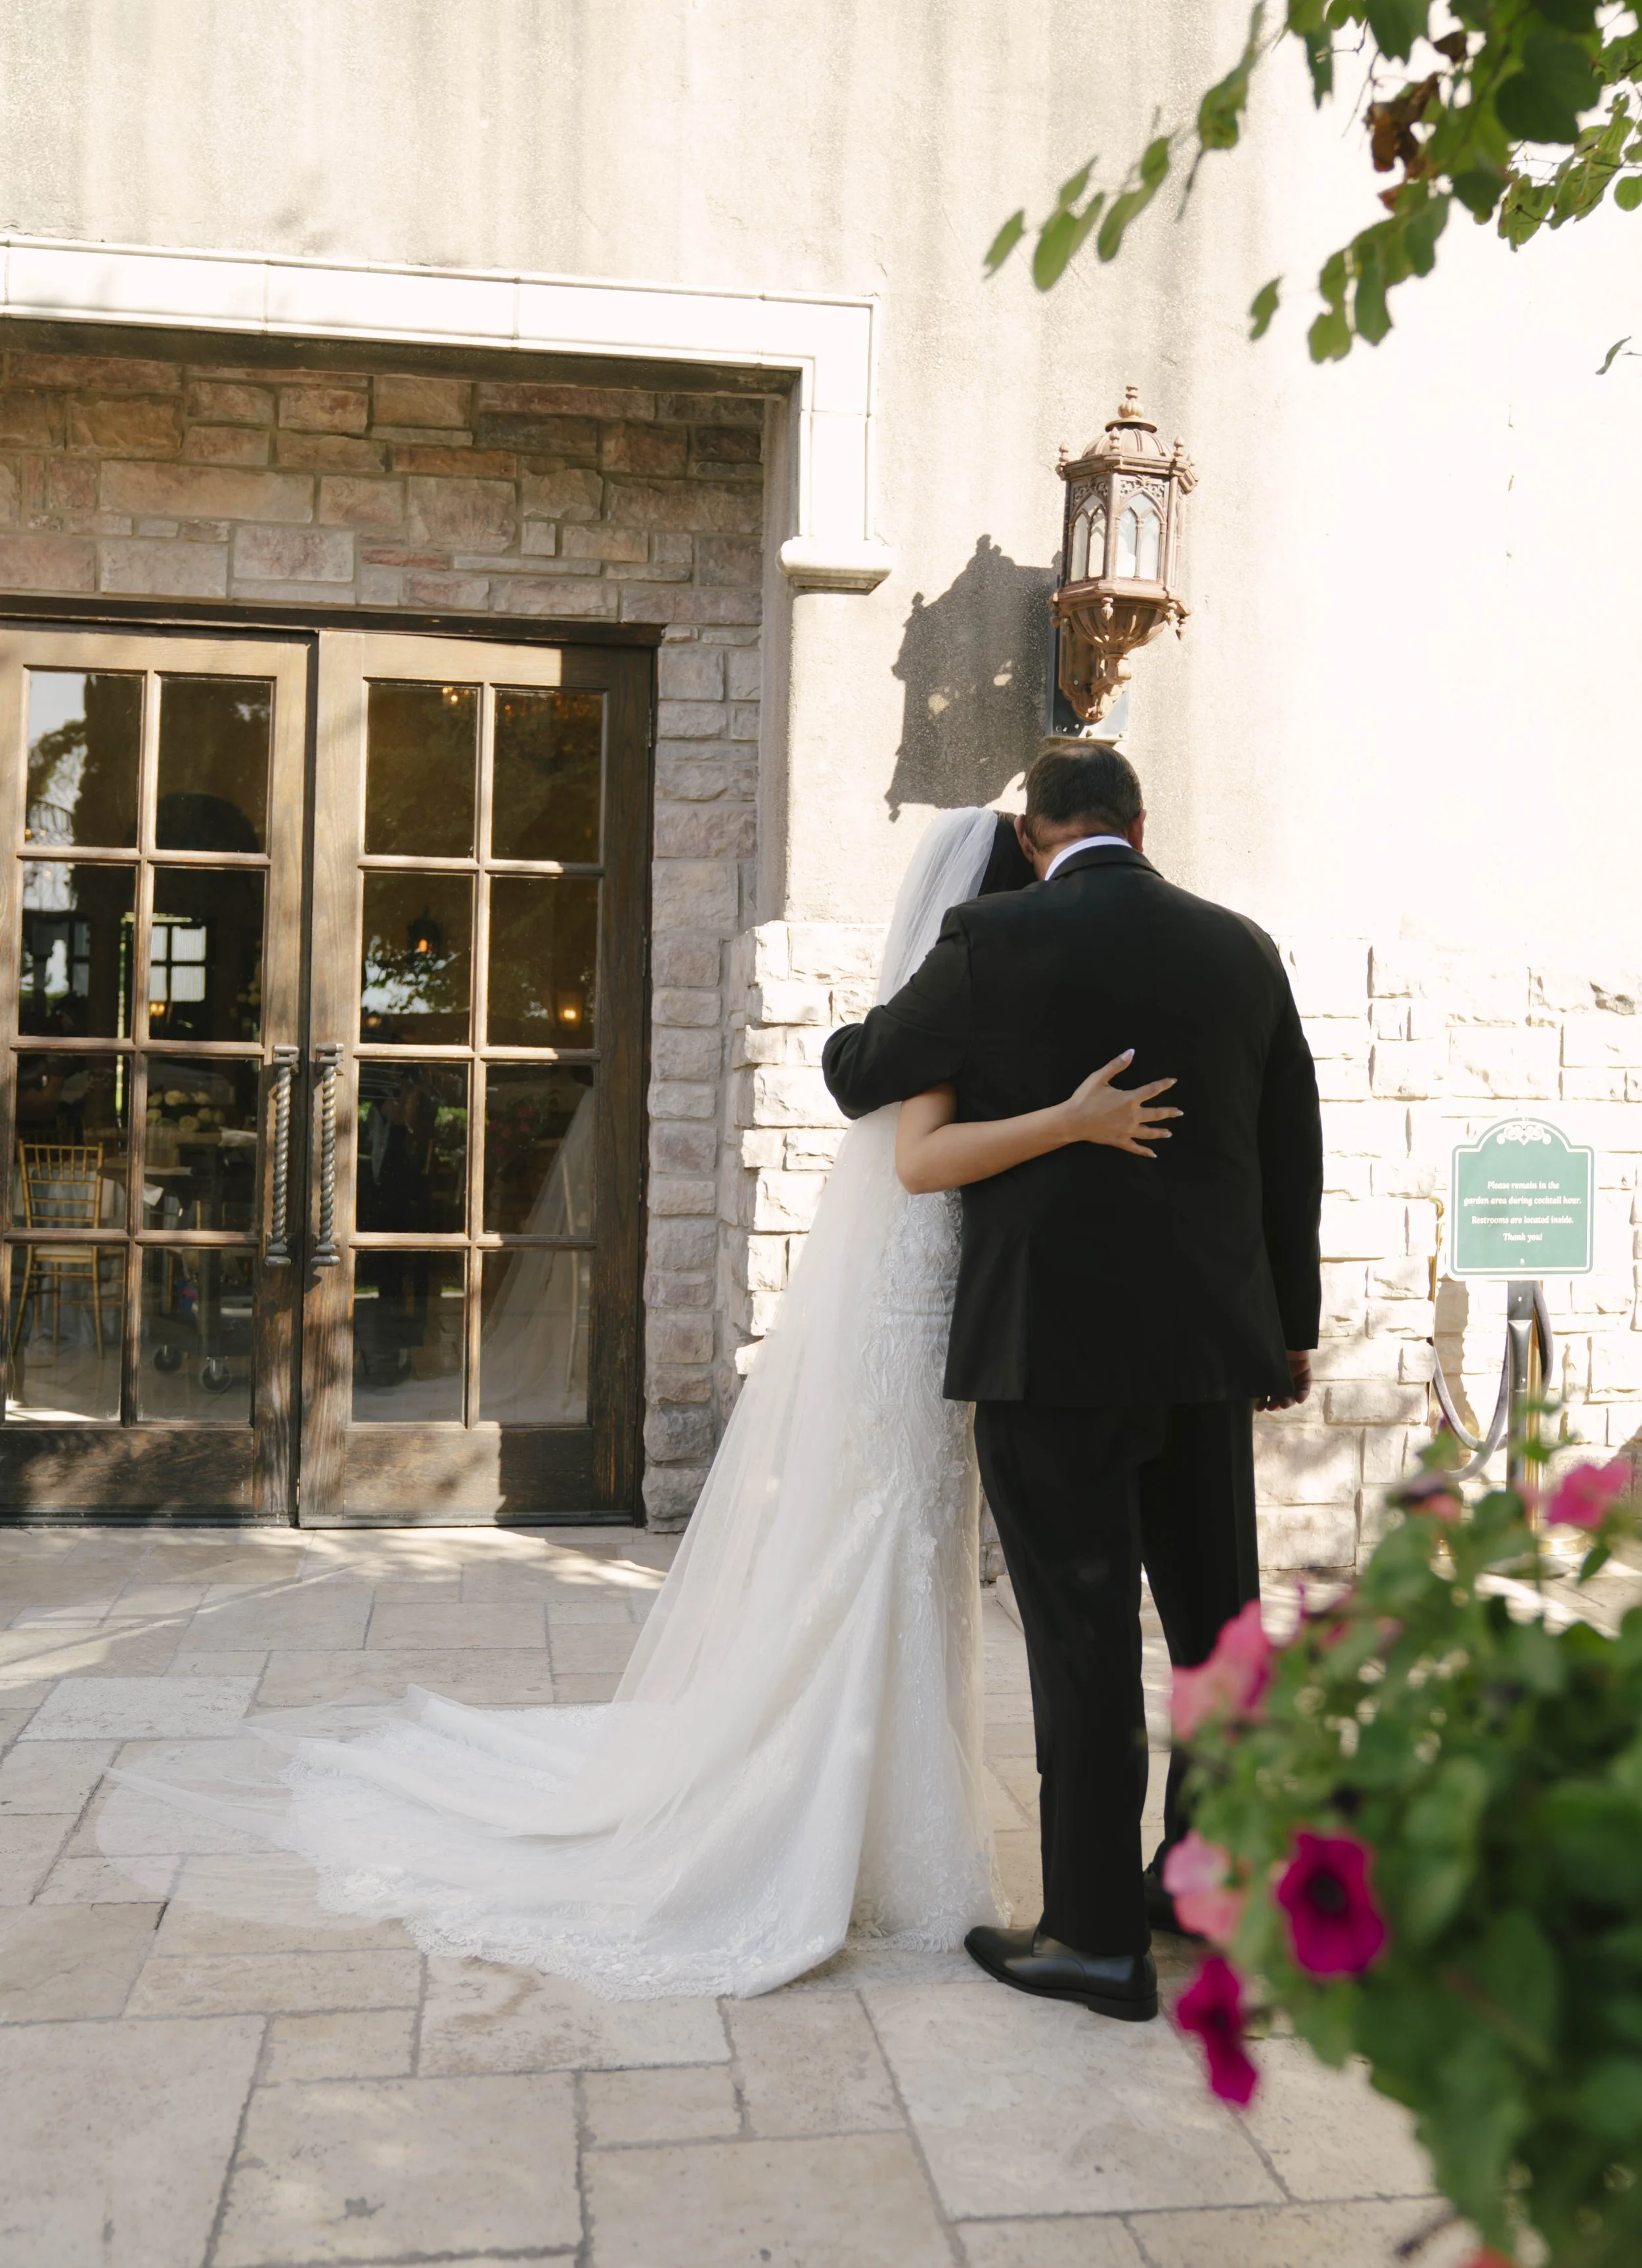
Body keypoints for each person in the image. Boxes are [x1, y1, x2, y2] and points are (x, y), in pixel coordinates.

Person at [106, 803, 1176, 2000]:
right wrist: (1074, 1122)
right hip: (916, 1304)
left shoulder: (998, 983)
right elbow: (924, 1153)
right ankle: (835, 1834)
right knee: (886, 1544)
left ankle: (896, 1822)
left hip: (948, 1299)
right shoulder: (966, 974)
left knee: (914, 1555)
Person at [823, 741, 1323, 2024]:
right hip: (1210, 1353)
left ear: (1036, 834)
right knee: (1217, 1633)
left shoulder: (994, 940)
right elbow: (1288, 1157)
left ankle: (1094, 1939)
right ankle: (1199, 1895)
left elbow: (858, 1076)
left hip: (1047, 1354)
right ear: (1138, 823)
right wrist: (1290, 1335)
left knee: (1081, 1634)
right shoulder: (1240, 949)